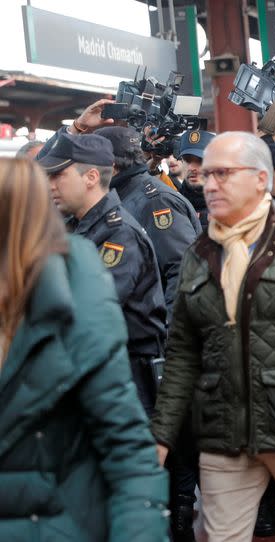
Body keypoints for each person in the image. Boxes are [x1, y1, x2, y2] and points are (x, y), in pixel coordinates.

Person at [151, 132, 275, 542]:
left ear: (261, 179)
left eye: (223, 173)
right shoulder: (199, 253)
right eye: (207, 175)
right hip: (224, 434)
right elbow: (183, 354)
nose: (209, 184)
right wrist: (161, 434)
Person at [0, 157, 169, 541]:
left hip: (130, 367)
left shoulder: (99, 250)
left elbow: (126, 450)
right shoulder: (81, 237)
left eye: (59, 174)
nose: (55, 186)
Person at [38, 132, 167, 415]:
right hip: (102, 370)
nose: (49, 186)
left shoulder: (118, 234)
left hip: (129, 380)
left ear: (91, 177)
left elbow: (85, 310)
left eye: (58, 176)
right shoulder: (81, 225)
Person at [94, 126, 202, 315]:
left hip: (155, 334)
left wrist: (170, 336)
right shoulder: (124, 194)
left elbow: (184, 271)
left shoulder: (154, 200)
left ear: (110, 164)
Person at [176, 129, 215, 229]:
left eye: (200, 161)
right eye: (187, 160)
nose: (191, 168)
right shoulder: (174, 203)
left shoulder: (232, 205)